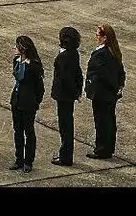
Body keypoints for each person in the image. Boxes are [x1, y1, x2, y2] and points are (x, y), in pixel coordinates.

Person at [85, 23, 126, 159]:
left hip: (102, 93)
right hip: (110, 94)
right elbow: (121, 71)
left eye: (98, 35)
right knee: (109, 120)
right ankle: (108, 147)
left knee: (101, 122)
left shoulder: (101, 54)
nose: (96, 37)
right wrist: (119, 86)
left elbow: (101, 74)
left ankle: (101, 149)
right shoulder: (113, 52)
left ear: (104, 38)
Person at [9, 35, 46, 172]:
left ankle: (28, 161)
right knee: (17, 131)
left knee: (28, 132)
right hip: (16, 100)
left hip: (28, 102)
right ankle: (19, 158)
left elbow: (39, 88)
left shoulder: (34, 66)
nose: (15, 48)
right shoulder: (16, 61)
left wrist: (36, 101)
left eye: (17, 46)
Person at [51, 26, 83, 166]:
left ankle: (65, 156)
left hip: (64, 95)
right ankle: (66, 154)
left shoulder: (64, 57)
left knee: (65, 126)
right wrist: (78, 90)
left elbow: (66, 78)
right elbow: (78, 74)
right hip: (69, 95)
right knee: (67, 124)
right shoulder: (74, 53)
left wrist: (75, 93)